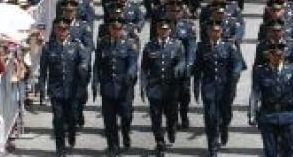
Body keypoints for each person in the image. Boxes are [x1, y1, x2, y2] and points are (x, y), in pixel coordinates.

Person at [38, 18, 90, 156]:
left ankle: (72, 133)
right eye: (59, 29)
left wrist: (83, 67)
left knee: (72, 116)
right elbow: (43, 70)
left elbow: (84, 60)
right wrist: (41, 87)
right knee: (58, 119)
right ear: (55, 30)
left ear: (68, 31)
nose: (62, 32)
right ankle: (60, 147)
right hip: (56, 90)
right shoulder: (48, 47)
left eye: (64, 29)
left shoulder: (76, 46)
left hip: (73, 89)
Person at [193, 21, 245, 156]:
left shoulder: (228, 47)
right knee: (210, 116)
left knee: (226, 114)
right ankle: (212, 145)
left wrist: (234, 74)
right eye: (212, 31)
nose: (215, 33)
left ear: (221, 32)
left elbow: (237, 63)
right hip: (209, 87)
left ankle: (224, 127)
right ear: (208, 32)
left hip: (226, 87)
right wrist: (196, 85)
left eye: (217, 31)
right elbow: (197, 68)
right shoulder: (202, 47)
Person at [92, 18, 139, 155]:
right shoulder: (103, 43)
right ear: (109, 29)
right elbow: (97, 64)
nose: (115, 31)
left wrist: (130, 74)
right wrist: (95, 81)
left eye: (118, 28)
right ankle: (113, 145)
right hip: (107, 87)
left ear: (122, 29)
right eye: (113, 28)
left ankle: (125, 132)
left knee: (126, 115)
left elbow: (133, 63)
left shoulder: (130, 44)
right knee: (109, 120)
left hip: (124, 87)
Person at [141, 18, 187, 156]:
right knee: (155, 117)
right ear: (157, 30)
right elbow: (144, 68)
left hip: (171, 87)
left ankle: (171, 129)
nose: (163, 32)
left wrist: (179, 67)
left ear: (170, 31)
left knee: (172, 115)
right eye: (161, 29)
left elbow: (182, 60)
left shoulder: (177, 45)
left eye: (166, 29)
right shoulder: (149, 46)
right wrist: (143, 86)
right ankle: (159, 141)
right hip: (155, 88)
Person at [249, 42, 293, 157]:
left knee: (289, 149)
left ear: (283, 55)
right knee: (270, 152)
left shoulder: (292, 71)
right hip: (268, 116)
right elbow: (255, 93)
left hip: (287, 116)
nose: (276, 57)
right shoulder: (260, 71)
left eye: (279, 55)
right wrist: (252, 113)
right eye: (273, 54)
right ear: (269, 55)